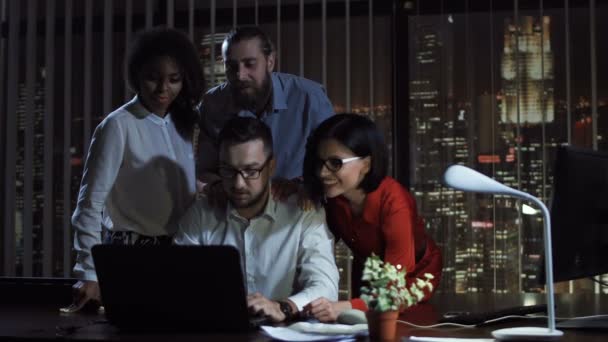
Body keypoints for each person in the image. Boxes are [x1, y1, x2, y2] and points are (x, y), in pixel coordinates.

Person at [64, 27, 205, 312]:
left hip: (182, 257)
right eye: (153, 78)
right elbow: (89, 205)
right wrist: (89, 273)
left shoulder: (188, 125)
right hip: (130, 257)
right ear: (137, 76)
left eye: (174, 79)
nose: (163, 89)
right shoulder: (118, 125)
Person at [174, 117, 339, 323]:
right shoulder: (201, 215)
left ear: (271, 167)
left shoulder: (302, 212)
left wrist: (284, 307)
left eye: (251, 171)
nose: (238, 183)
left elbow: (326, 286)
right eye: (228, 170)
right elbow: (178, 285)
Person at [302, 114, 443, 322]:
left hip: (412, 278)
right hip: (369, 271)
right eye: (320, 162)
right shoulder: (334, 194)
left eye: (335, 163)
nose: (322, 173)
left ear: (366, 165)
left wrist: (346, 306)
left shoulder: (395, 203)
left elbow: (394, 289)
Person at [197, 26, 334, 188]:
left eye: (249, 64)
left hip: (297, 207)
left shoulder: (310, 98)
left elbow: (333, 163)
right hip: (235, 207)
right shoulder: (212, 104)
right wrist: (222, 188)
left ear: (270, 62)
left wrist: (301, 185)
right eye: (231, 66)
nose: (240, 75)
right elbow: (205, 171)